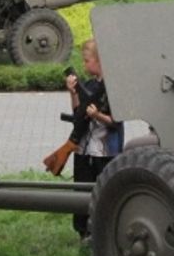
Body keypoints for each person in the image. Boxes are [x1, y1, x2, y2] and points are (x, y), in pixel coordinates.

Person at [43, 38, 123, 238]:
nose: (84, 64)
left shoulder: (113, 88)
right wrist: (73, 93)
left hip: (105, 151)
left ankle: (103, 232)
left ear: (100, 61)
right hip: (83, 148)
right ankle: (83, 232)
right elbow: (78, 113)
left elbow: (117, 121)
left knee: (104, 191)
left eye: (87, 60)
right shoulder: (87, 84)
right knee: (80, 190)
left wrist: (98, 116)